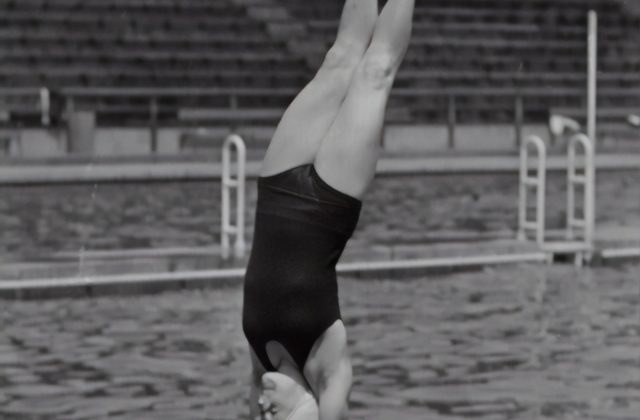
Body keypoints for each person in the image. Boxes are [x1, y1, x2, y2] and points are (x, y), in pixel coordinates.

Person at [242, 1, 415, 418]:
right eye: (272, 415)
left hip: (277, 186)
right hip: (330, 201)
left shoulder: (260, 366)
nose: (262, 406)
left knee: (340, 58)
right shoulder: (328, 370)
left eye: (260, 413)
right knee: (375, 71)